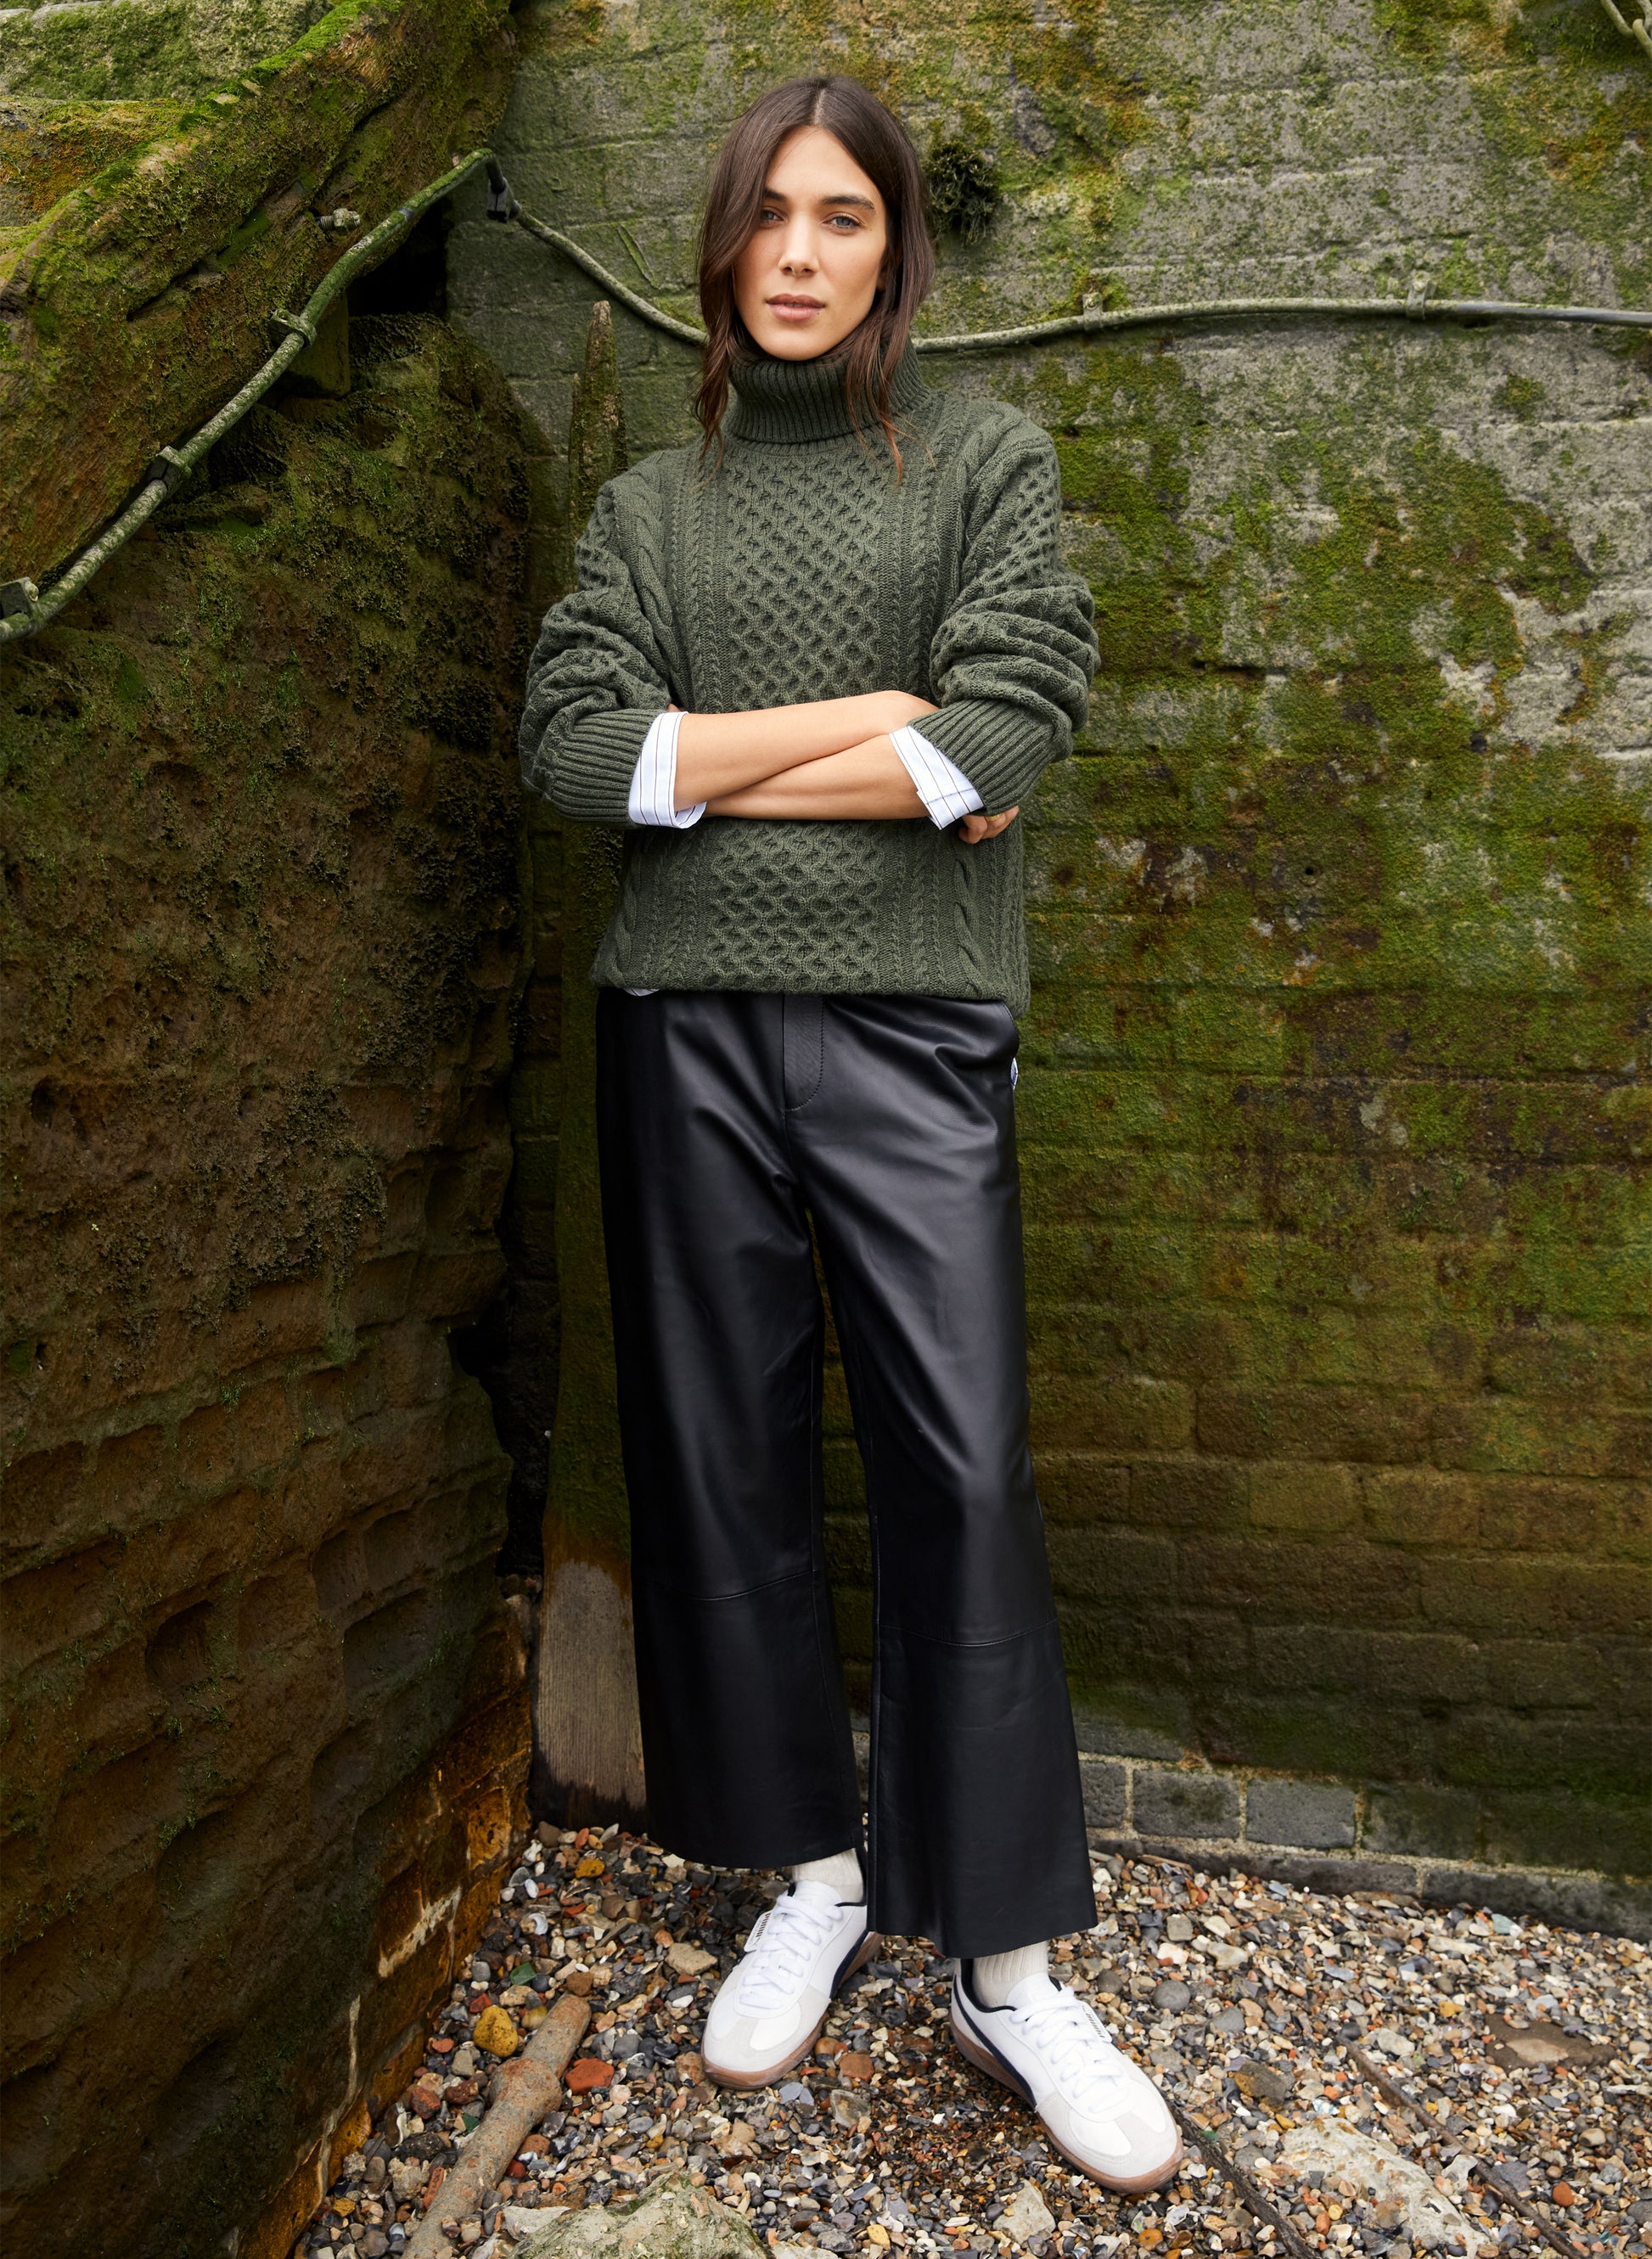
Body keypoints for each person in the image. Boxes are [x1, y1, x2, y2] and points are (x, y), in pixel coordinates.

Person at [518, 73, 1181, 2192]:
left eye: (844, 218)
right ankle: (807, 1871)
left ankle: (1005, 1962)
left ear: (896, 247)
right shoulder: (651, 510)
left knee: (960, 1467)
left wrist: (713, 768)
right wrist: (873, 723)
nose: (799, 254)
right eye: (769, 217)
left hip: (916, 1021)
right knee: (718, 1462)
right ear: (723, 244)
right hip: (680, 1025)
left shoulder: (982, 463)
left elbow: (1005, 726)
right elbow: (573, 750)